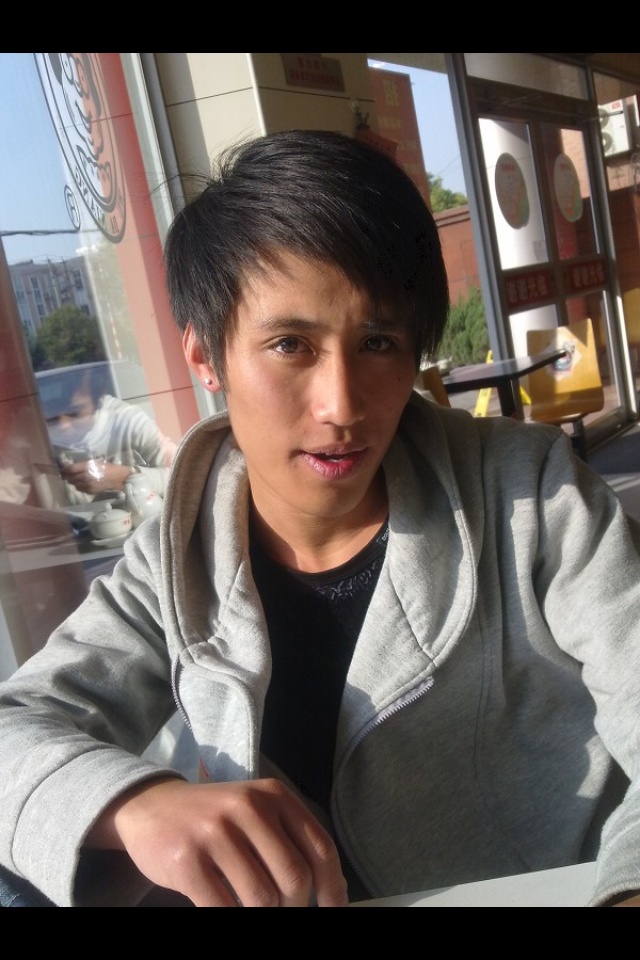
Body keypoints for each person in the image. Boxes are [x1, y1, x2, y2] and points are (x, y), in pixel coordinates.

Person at [0, 129, 639, 909]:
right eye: (290, 344)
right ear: (204, 357)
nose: (341, 405)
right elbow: (15, 728)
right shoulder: (181, 550)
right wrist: (133, 803)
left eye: (378, 342)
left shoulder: (530, 496)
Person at [46, 364, 178, 504]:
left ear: (99, 403)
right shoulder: (38, 432)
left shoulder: (127, 419)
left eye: (75, 412)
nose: (63, 425)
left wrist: (125, 477)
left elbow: (182, 475)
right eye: (52, 416)